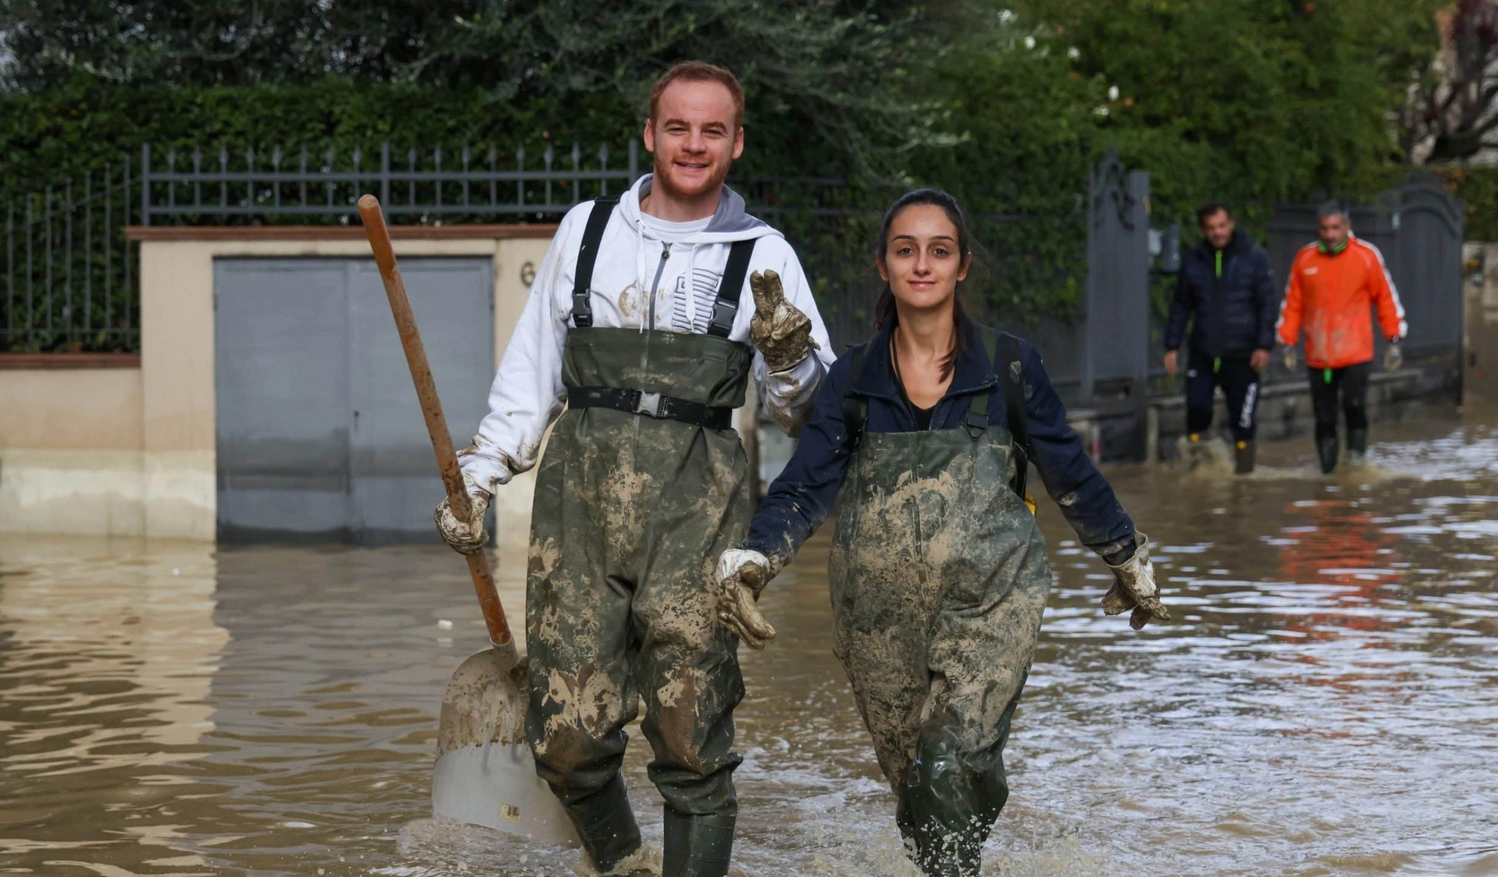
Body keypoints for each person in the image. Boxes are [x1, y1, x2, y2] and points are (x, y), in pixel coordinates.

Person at [434, 61, 835, 877]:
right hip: (576, 510)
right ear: (650, 134)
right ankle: (622, 864)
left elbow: (810, 414)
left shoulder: (765, 254)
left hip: (701, 511)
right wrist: (480, 473)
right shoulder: (586, 231)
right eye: (677, 127)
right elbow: (532, 369)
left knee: (692, 734)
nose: (693, 144)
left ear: (737, 143)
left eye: (712, 130)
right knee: (566, 737)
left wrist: (790, 354)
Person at [710, 189, 1167, 876]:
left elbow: (1069, 469)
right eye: (906, 250)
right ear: (884, 266)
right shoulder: (853, 380)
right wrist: (756, 556)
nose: (922, 264)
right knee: (918, 791)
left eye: (939, 250)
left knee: (945, 760)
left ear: (963, 267)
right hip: (878, 619)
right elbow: (804, 485)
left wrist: (1127, 556)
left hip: (991, 601)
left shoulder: (1009, 368)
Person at [1276, 201, 1407, 473]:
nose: (1330, 234)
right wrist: (1287, 341)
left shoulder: (1366, 256)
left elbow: (1385, 298)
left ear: (1347, 226)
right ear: (1318, 229)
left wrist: (1394, 339)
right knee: (1324, 417)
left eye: (1336, 228)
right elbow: (1292, 303)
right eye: (1325, 228)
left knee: (1354, 405)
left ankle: (1356, 465)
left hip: (1355, 353)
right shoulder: (1305, 259)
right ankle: (1328, 474)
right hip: (1319, 356)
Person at [1162, 202, 1278, 474]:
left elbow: (1267, 304)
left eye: (1222, 225)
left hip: (1243, 354)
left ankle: (1244, 480)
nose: (1217, 232)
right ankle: (1199, 475)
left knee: (1243, 420)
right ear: (1203, 230)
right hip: (1203, 353)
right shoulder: (1193, 260)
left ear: (1231, 224)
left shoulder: (1255, 257)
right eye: (1211, 228)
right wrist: (1171, 346)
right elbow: (1181, 306)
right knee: (1197, 411)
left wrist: (1264, 344)